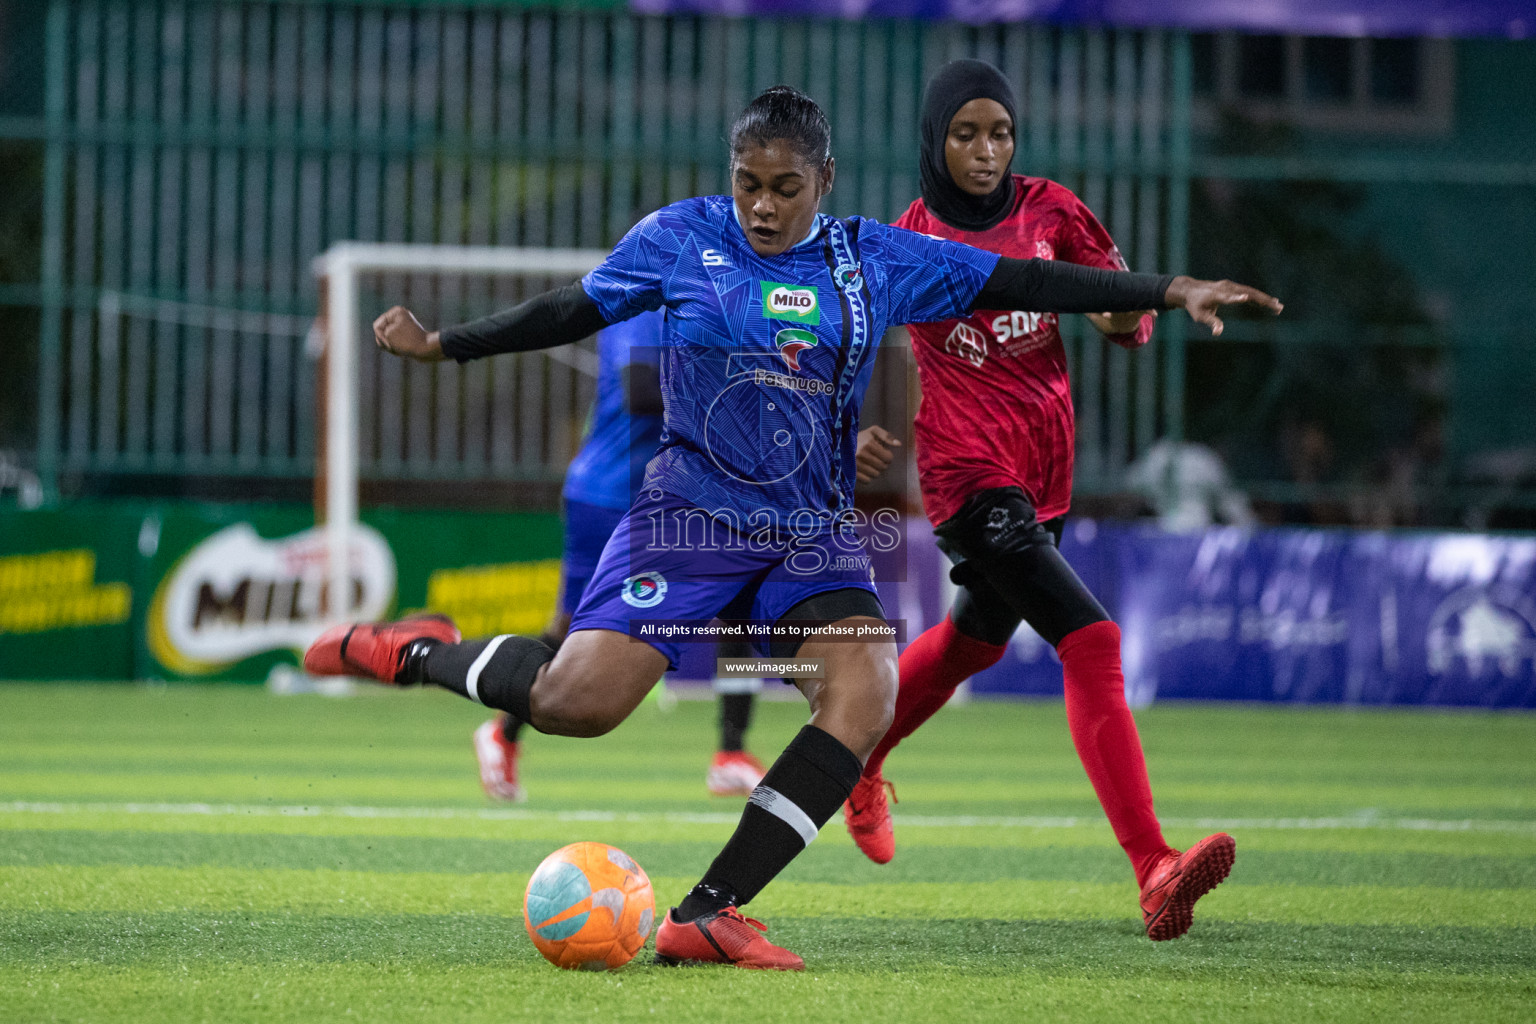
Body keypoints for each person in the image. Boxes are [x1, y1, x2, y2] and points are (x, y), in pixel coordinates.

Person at [305, 85, 1279, 969]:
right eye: (747, 184)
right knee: (577, 701)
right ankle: (420, 652)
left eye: (784, 186)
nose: (762, 206)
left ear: (826, 180)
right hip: (689, 514)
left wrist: (1166, 290)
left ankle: (710, 911)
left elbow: (1025, 283)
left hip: (810, 532)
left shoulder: (872, 258)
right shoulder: (682, 238)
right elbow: (574, 307)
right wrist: (445, 345)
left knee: (865, 692)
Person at [847, 60, 1275, 942]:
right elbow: (842, 337)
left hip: (1044, 470)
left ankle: (863, 752)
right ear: (933, 139)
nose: (985, 150)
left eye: (999, 132)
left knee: (974, 644)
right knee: (1094, 639)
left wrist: (1134, 313)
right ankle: (1155, 868)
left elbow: (1119, 314)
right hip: (967, 477)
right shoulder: (910, 241)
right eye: (964, 133)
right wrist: (846, 426)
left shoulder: (1053, 211)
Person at [473, 309, 768, 803]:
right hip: (610, 494)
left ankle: (730, 754)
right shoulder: (645, 310)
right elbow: (643, 394)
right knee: (569, 628)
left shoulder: (711, 308)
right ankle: (502, 733)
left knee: (741, 604)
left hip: (684, 497)